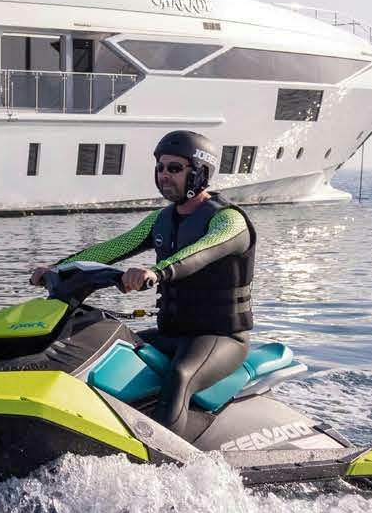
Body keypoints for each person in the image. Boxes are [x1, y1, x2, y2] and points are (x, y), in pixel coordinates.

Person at [30, 130, 254, 433]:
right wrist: (57, 268)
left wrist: (155, 272)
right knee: (104, 348)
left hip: (220, 338)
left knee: (181, 375)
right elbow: (110, 248)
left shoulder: (228, 220)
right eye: (160, 168)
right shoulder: (161, 220)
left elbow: (197, 254)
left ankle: (169, 470)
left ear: (200, 172)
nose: (164, 175)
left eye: (174, 168)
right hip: (173, 333)